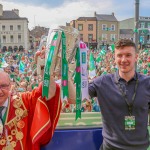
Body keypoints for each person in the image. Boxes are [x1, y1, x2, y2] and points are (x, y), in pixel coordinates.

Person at [88, 39, 150, 150]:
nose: (123, 59)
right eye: (119, 55)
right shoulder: (103, 82)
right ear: (114, 58)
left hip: (140, 147)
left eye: (128, 55)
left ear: (136, 57)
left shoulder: (148, 83)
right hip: (111, 147)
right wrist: (66, 75)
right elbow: (77, 98)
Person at [0, 57, 61, 149]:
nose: (0, 91)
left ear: (10, 86)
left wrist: (44, 68)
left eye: (3, 86)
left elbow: (47, 92)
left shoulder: (24, 101)